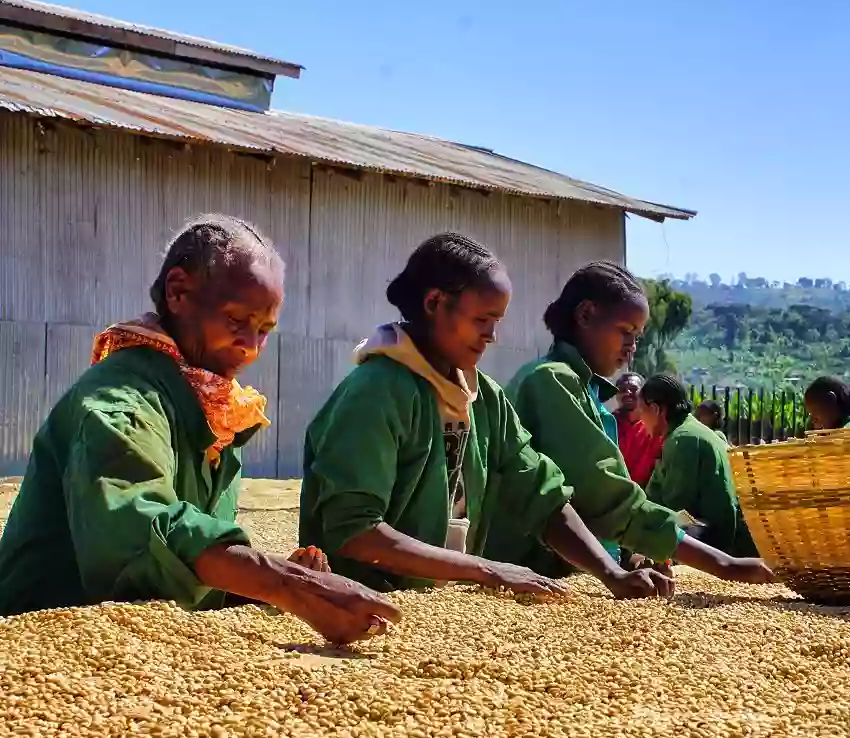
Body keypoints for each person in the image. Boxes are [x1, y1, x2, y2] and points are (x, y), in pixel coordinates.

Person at [0, 215, 399, 645]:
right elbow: (142, 528)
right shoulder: (120, 401)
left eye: (264, 329)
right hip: (46, 637)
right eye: (235, 319)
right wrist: (288, 585)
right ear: (178, 291)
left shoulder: (218, 413)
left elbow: (183, 574)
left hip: (148, 641)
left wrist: (260, 581)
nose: (250, 345)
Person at [299, 234, 671, 600]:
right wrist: (484, 569)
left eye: (497, 321)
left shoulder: (485, 398)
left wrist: (613, 574)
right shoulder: (376, 391)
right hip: (368, 600)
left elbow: (542, 495)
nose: (491, 335)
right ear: (434, 302)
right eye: (482, 319)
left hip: (445, 600)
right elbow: (353, 532)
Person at [496, 260, 774, 585]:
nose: (631, 349)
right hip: (533, 574)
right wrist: (724, 565)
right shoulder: (551, 381)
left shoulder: (576, 387)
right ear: (585, 315)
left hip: (558, 573)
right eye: (625, 332)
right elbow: (605, 497)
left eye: (638, 337)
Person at [637, 375, 758, 557]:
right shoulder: (691, 431)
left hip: (715, 543)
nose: (641, 419)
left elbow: (676, 510)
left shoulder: (683, 440)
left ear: (655, 409)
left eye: (641, 412)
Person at [613, 372, 664, 487]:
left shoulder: (655, 426)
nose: (627, 393)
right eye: (622, 389)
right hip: (615, 492)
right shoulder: (608, 423)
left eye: (633, 388)